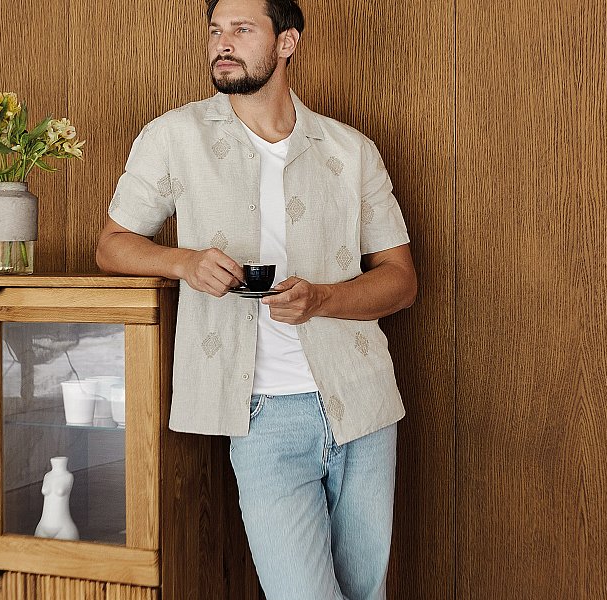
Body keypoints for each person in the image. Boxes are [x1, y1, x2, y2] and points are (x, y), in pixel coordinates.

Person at [95, 0, 416, 597]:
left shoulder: (351, 151)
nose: (223, 43)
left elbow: (401, 279)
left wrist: (321, 299)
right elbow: (112, 245)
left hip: (364, 403)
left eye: (242, 30)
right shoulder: (174, 136)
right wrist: (183, 262)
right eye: (216, 30)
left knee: (365, 592)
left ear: (286, 43)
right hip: (261, 416)